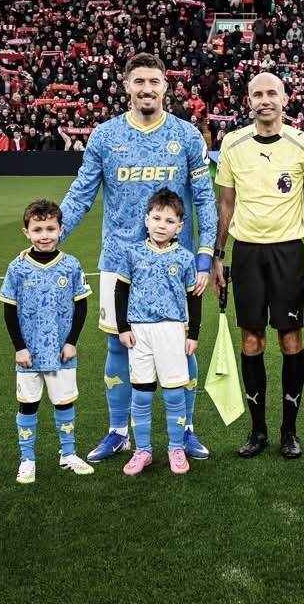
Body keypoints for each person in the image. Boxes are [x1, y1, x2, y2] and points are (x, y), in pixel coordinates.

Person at [59, 53, 217, 463]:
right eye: (139, 81)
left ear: (166, 86)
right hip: (120, 261)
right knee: (118, 345)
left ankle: (185, 431)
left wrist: (204, 255)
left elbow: (204, 199)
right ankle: (118, 432)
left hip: (173, 263)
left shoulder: (186, 136)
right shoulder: (105, 136)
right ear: (126, 86)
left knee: (183, 346)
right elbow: (82, 192)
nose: (147, 89)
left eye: (155, 81)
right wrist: (55, 232)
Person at [213, 72, 304, 460]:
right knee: (251, 340)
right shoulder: (232, 143)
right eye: (257, 94)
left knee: (290, 339)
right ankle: (257, 430)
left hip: (288, 253)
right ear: (248, 101)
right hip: (247, 254)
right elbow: (225, 204)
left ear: (284, 98)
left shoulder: (303, 144)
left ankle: (289, 430)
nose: (265, 100)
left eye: (271, 93)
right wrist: (218, 255)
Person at [0, 199, 94, 484]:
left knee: (64, 403)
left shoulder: (71, 265)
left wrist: (71, 342)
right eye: (37, 229)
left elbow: (81, 306)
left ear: (61, 229)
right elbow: (9, 309)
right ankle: (27, 459)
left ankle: (68, 454)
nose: (45, 234)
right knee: (28, 405)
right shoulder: (17, 267)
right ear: (26, 232)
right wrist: (19, 347)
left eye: (51, 228)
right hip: (29, 354)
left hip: (62, 352)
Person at [115, 189, 202, 476]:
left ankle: (175, 448)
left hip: (172, 330)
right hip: (139, 331)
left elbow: (194, 297)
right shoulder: (132, 253)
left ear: (179, 226)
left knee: (174, 393)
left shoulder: (186, 258)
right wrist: (123, 327)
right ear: (146, 220)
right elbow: (121, 290)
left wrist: (193, 334)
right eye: (156, 218)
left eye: (168, 221)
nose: (161, 225)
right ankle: (143, 450)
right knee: (141, 393)